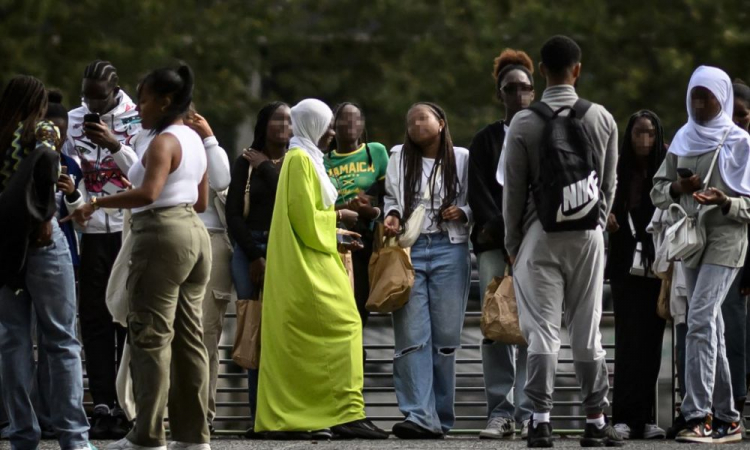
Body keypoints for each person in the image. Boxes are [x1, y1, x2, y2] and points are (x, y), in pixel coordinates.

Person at [66, 64, 212, 450]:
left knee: (150, 337)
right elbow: (201, 201)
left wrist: (95, 201)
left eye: (144, 99)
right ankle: (193, 436)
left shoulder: (163, 142)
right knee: (189, 340)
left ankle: (147, 435)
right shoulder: (194, 138)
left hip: (162, 234)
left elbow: (148, 194)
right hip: (194, 237)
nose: (139, 107)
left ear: (165, 100)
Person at [502, 35, 622, 447]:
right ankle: (595, 420)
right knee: (587, 331)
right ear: (578, 70)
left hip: (539, 235)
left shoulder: (523, 122)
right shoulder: (602, 118)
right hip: (588, 234)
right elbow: (609, 184)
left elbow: (513, 191)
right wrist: (596, 223)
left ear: (539, 70)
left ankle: (539, 420)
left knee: (542, 332)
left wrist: (513, 241)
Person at [254, 98, 387, 440]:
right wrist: (338, 220)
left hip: (313, 256)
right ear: (313, 125)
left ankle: (336, 413)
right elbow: (305, 219)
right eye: (327, 124)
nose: (332, 132)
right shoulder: (300, 159)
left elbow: (306, 214)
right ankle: (340, 414)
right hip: (307, 263)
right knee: (345, 323)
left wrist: (337, 231)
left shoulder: (305, 156)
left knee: (320, 338)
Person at [651, 65, 750, 444]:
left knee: (699, 318)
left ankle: (698, 415)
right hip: (692, 239)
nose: (699, 102)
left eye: (707, 96)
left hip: (727, 237)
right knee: (712, 328)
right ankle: (729, 417)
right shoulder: (683, 138)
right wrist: (679, 187)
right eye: (695, 94)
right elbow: (657, 191)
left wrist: (726, 201)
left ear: (722, 98)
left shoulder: (741, 142)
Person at [0, 75, 92, 450]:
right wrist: (41, 216)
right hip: (43, 238)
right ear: (39, 102)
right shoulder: (41, 129)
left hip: (4, 245)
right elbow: (49, 161)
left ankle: (22, 433)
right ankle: (74, 437)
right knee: (62, 340)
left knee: (13, 340)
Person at [383, 102, 472, 439]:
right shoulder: (399, 157)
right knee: (411, 336)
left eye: (423, 118)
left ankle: (440, 417)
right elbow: (392, 196)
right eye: (410, 120)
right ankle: (419, 416)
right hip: (410, 250)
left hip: (451, 249)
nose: (416, 124)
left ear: (441, 123)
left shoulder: (461, 158)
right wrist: (391, 214)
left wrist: (462, 210)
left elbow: (476, 198)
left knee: (446, 338)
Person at [65, 59, 141, 439]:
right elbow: (68, 172)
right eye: (87, 97)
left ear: (115, 91)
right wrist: (74, 200)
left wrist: (114, 146)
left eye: (100, 97)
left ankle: (128, 405)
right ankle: (102, 405)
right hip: (91, 229)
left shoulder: (139, 117)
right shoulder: (73, 119)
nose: (92, 105)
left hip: (128, 228)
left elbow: (144, 172)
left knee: (125, 317)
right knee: (94, 317)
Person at [469, 48, 535, 440]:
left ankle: (529, 411)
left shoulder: (543, 134)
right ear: (501, 93)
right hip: (495, 245)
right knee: (496, 326)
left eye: (527, 88)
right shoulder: (485, 140)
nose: (520, 95)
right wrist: (506, 235)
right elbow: (479, 194)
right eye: (512, 89)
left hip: (535, 244)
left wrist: (526, 235)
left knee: (530, 327)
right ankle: (500, 409)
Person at [225, 101, 291, 437]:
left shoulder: (298, 161)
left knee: (282, 333)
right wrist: (253, 256)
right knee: (253, 332)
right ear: (264, 124)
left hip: (286, 251)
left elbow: (294, 201)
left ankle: (284, 414)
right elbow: (233, 214)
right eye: (277, 118)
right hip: (250, 249)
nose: (284, 124)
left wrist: (268, 167)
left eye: (289, 120)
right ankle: (258, 419)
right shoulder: (245, 161)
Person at [605, 110, 667, 439]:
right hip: (624, 263)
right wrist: (609, 220)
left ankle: (646, 417)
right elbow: (602, 203)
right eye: (638, 134)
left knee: (653, 341)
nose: (645, 140)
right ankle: (622, 417)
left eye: (651, 134)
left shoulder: (665, 166)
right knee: (628, 339)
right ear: (628, 136)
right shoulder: (618, 168)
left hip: (658, 264)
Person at [183, 106, 233, 434]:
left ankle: (202, 415)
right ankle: (165, 413)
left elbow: (223, 179)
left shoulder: (209, 148)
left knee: (206, 332)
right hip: (171, 233)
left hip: (212, 239)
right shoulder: (155, 141)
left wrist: (210, 138)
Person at [325, 103, 389, 329]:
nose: (350, 124)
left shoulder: (376, 152)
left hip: (366, 240)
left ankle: (357, 358)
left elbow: (390, 197)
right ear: (333, 126)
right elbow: (318, 205)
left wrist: (372, 211)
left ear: (362, 125)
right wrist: (345, 206)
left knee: (358, 305)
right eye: (344, 119)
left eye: (355, 119)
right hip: (335, 240)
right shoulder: (323, 161)